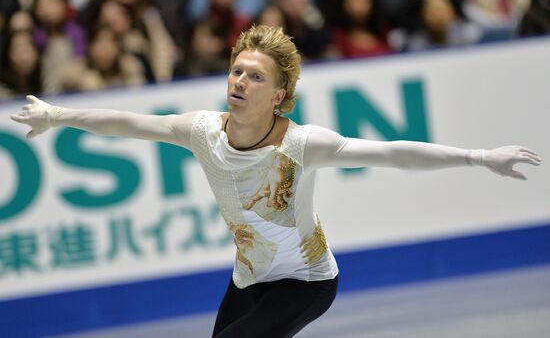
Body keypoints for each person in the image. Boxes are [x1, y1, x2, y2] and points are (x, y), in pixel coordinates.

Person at [10, 25, 542, 338]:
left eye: (256, 76)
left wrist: (478, 157)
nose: (240, 81)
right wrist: (57, 115)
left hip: (308, 283)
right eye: (237, 70)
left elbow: (395, 154)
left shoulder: (302, 144)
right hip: (247, 279)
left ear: (280, 95)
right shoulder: (201, 132)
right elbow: (130, 124)